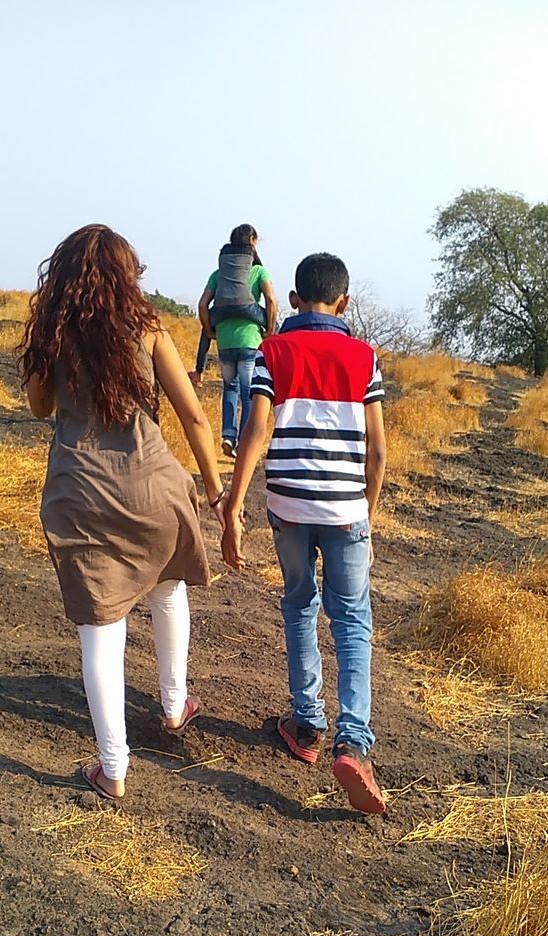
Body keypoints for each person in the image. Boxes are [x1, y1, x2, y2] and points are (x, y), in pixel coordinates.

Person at [19, 224, 226, 802]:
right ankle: (174, 703)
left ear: (61, 275)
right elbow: (195, 418)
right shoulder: (150, 327)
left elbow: (40, 408)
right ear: (126, 274)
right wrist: (216, 494)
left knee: (100, 629)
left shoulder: (53, 334)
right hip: (154, 486)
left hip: (81, 494)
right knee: (166, 587)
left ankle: (113, 768)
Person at [221, 252, 388, 815]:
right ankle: (353, 741)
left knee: (298, 604)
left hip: (288, 505)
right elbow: (379, 448)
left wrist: (234, 503)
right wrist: (367, 509)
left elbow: (255, 427)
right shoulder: (365, 357)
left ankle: (307, 725)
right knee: (353, 620)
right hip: (346, 509)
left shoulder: (274, 351)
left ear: (293, 301)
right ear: (344, 302)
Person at [196, 224, 277, 457]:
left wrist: (210, 330)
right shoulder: (260, 272)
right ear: (252, 241)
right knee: (248, 392)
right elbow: (271, 300)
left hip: (225, 342)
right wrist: (270, 329)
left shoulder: (217, 274)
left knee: (229, 389)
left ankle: (228, 437)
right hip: (250, 341)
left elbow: (202, 304)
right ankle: (244, 442)